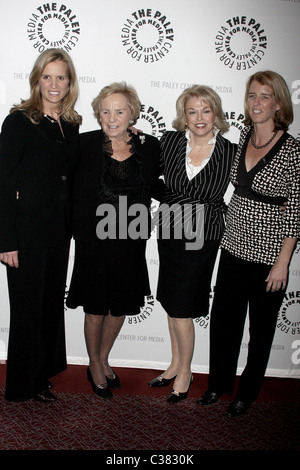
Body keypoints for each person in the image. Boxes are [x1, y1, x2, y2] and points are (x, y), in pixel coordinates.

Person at [197, 71, 300, 417]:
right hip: (233, 247)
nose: (257, 102)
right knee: (224, 321)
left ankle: (248, 391)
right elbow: (200, 138)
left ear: (278, 103)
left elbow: (296, 209)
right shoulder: (243, 137)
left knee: (261, 330)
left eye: (265, 96)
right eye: (252, 95)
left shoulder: (292, 149)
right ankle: (218, 383)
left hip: (270, 256)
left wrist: (283, 262)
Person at [66, 82, 161, 398]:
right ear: (98, 114)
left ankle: (103, 357)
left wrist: (199, 201)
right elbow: (57, 179)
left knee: (119, 306)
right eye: (105, 111)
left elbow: (161, 188)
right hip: (93, 240)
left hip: (131, 240)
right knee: (95, 306)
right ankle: (94, 363)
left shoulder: (150, 146)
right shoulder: (82, 144)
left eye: (119, 110)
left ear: (132, 113)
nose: (111, 117)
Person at [0, 48, 82, 402]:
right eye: (47, 76)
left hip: (58, 234)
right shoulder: (19, 121)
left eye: (61, 77)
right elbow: (3, 181)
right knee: (27, 311)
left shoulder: (72, 124)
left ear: (70, 83)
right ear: (36, 79)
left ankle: (39, 376)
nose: (53, 83)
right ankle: (20, 386)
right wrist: (5, 239)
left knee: (49, 308)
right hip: (25, 235)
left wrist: (129, 133)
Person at [147, 85, 237, 402]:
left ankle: (185, 372)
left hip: (204, 234)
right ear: (184, 116)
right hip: (170, 230)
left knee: (183, 305)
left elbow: (248, 188)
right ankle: (174, 365)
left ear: (216, 114)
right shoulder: (169, 142)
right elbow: (146, 174)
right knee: (172, 302)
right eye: (192, 111)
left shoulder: (230, 151)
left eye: (206, 110)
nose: (199, 117)